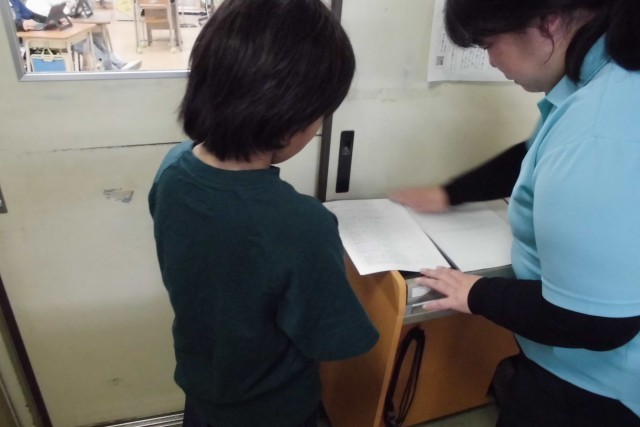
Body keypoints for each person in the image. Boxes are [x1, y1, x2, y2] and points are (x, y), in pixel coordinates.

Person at [391, 0, 640, 426]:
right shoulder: (600, 78)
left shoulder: (597, 133)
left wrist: (477, 293)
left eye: (489, 44)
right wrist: (449, 193)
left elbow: (597, 324)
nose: (490, 61)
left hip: (593, 386)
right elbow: (531, 153)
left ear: (548, 23)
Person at [148, 1, 379, 426]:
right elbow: (335, 340)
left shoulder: (174, 168)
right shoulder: (302, 224)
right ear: (291, 118)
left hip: (202, 391)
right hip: (275, 411)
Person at [9, 0, 142, 71]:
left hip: (44, 30)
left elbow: (31, 15)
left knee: (94, 38)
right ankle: (112, 69)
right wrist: (21, 24)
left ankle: (119, 64)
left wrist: (49, 20)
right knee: (83, 42)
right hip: (27, 38)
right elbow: (6, 23)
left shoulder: (15, 1)